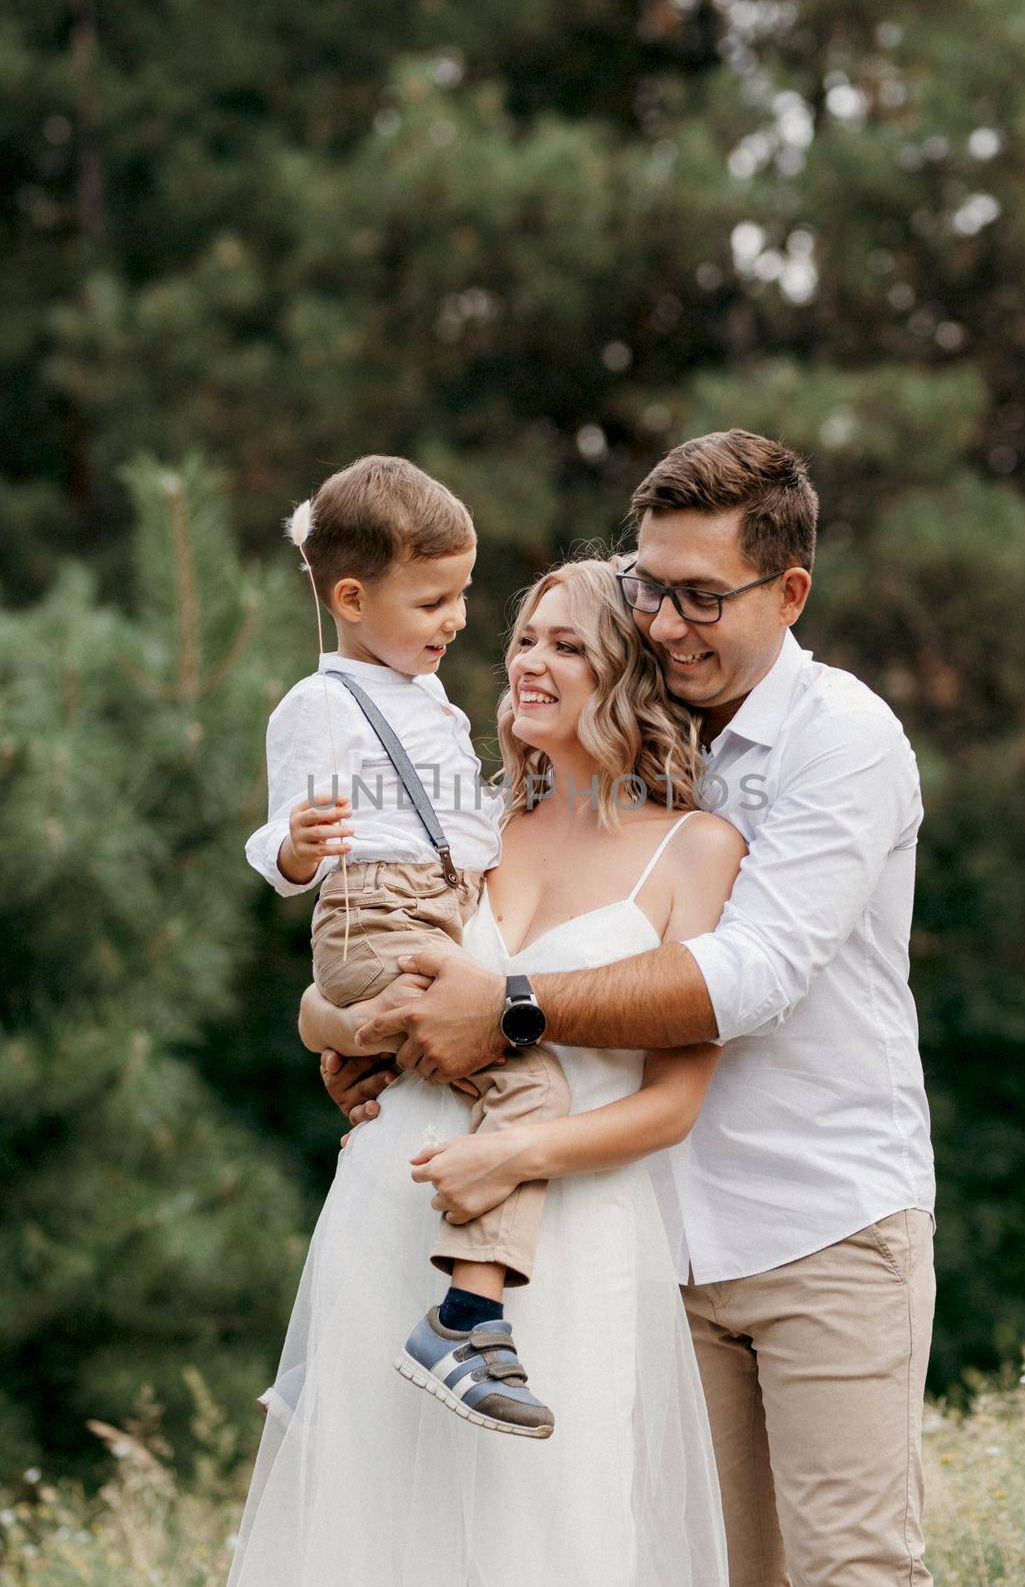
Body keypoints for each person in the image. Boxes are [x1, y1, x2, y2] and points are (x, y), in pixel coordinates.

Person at [325, 430, 938, 1587]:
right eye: (650, 588)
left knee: (853, 1570)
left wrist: (500, 1009)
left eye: (702, 596)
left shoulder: (840, 743)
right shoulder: (600, 756)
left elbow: (749, 978)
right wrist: (385, 1037)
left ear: (789, 590)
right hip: (639, 1243)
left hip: (819, 1224)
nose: (664, 621)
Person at [229, 557, 744, 1587]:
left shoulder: (696, 849)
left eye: (568, 645)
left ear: (631, 673)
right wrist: (329, 1027)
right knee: (373, 1537)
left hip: (568, 1240)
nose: (530, 664)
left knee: (547, 1544)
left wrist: (510, 1152)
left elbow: (673, 1106)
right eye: (524, 640)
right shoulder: (467, 819)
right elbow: (346, 972)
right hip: (393, 1210)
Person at [244, 453, 573, 1435]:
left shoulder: (424, 699)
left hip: (430, 905)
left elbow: (452, 825)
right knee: (529, 1086)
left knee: (406, 1108)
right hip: (374, 913)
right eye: (434, 599)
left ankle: (332, 1353)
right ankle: (465, 1322)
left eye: (463, 594)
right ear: (351, 597)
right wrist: (294, 848)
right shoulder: (322, 704)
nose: (458, 618)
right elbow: (278, 835)